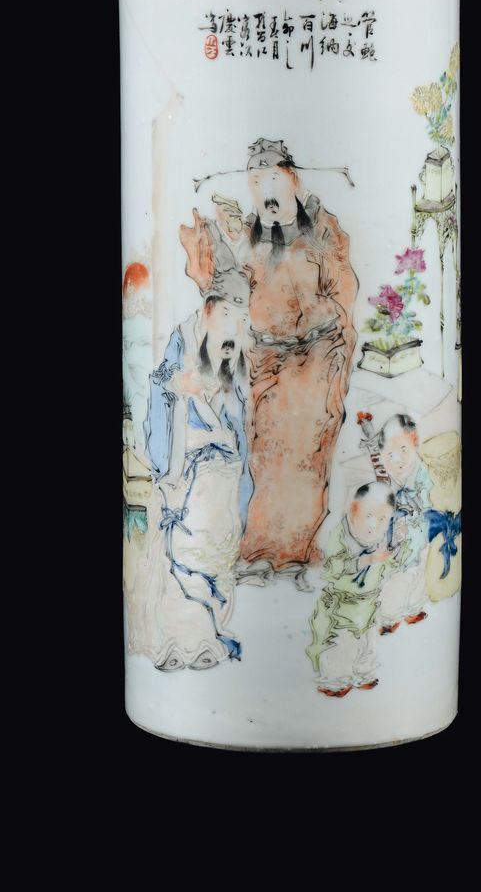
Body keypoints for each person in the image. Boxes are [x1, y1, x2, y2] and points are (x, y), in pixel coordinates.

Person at [182, 137, 359, 590]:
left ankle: (298, 553)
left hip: (316, 358)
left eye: (273, 181)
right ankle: (261, 552)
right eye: (257, 184)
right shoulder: (249, 239)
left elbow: (343, 289)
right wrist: (220, 244)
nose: (267, 193)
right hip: (267, 360)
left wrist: (321, 327)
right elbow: (232, 293)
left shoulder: (322, 230)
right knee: (266, 456)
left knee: (307, 457)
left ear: (293, 181)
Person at [130, 268, 253, 672]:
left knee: (217, 552)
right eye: (227, 315)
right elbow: (160, 384)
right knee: (184, 554)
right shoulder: (182, 342)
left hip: (221, 476)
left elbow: (238, 416)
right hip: (187, 473)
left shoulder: (234, 354)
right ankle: (183, 640)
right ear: (208, 310)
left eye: (240, 317)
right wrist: (179, 388)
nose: (233, 326)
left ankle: (208, 632)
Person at [305, 482, 406, 697]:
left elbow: (390, 567)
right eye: (369, 515)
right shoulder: (340, 535)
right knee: (343, 643)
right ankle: (336, 681)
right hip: (342, 604)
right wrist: (367, 560)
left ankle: (363, 675)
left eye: (382, 519)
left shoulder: (382, 539)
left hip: (368, 604)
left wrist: (398, 547)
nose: (374, 524)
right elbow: (333, 568)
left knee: (368, 643)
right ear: (353, 509)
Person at [376, 414, 461, 634]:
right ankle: (389, 617)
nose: (398, 459)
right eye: (390, 454)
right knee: (396, 579)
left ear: (414, 442)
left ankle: (413, 609)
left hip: (421, 536)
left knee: (419, 576)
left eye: (403, 449)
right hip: (400, 541)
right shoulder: (389, 478)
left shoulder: (423, 472)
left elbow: (429, 498)